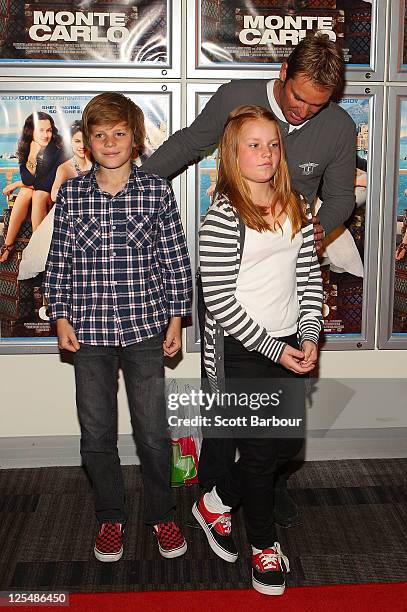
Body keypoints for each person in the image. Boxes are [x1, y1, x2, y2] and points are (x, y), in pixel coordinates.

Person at [141, 33, 356, 526]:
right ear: (283, 72)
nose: (302, 112)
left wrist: (309, 230)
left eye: (316, 105)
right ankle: (215, 490)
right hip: (235, 263)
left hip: (291, 252)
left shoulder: (339, 127)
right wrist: (135, 188)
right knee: (227, 402)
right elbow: (190, 143)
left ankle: (263, 483)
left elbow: (341, 196)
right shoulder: (236, 97)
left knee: (281, 409)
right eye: (298, 98)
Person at [44, 92, 193, 563]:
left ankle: (162, 514)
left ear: (136, 138)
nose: (110, 142)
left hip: (146, 330)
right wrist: (61, 315)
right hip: (87, 335)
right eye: (100, 134)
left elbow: (174, 260)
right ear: (86, 142)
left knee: (152, 431)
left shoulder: (156, 191)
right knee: (96, 434)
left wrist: (176, 319)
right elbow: (60, 259)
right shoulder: (72, 194)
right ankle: (110, 515)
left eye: (120, 133)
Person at [193, 105, 322, 595]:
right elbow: (220, 304)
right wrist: (275, 349)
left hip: (287, 344)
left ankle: (216, 503)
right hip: (240, 350)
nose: (265, 153)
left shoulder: (296, 206)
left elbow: (308, 277)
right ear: (233, 153)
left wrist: (308, 335)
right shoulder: (223, 216)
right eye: (254, 144)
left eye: (272, 143)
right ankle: (264, 548)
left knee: (286, 448)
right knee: (264, 453)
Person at [18, 120, 92, 281]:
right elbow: (54, 194)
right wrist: (75, 193)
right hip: (72, 210)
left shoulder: (99, 162)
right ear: (70, 143)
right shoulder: (65, 167)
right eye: (77, 141)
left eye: (86, 141)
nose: (82, 146)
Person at [0, 112, 64, 263]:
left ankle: (37, 248)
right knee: (26, 192)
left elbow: (47, 183)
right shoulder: (27, 148)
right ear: (31, 131)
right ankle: (8, 245)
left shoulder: (59, 149)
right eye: (41, 130)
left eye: (49, 130)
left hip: (55, 194)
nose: (46, 135)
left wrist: (16, 183)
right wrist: (32, 155)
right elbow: (28, 179)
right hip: (39, 192)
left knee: (37, 193)